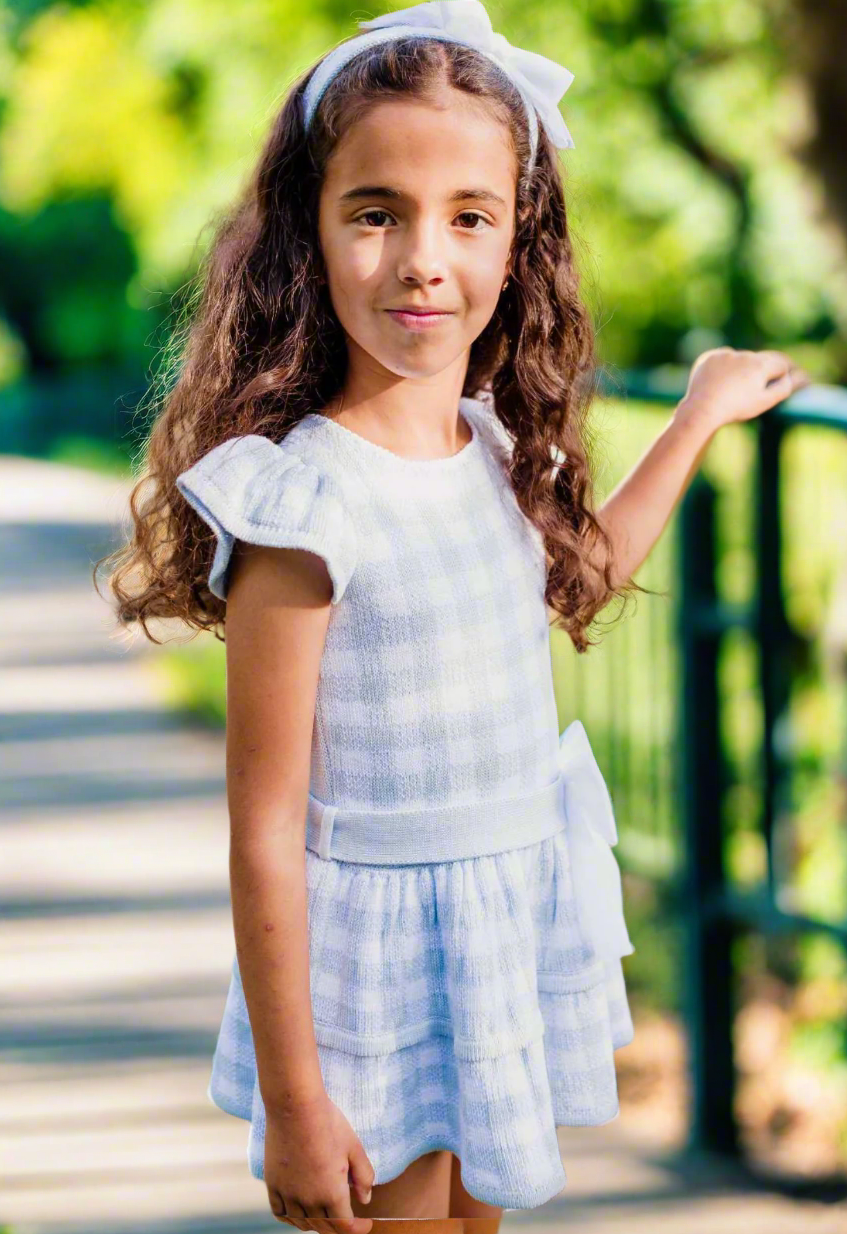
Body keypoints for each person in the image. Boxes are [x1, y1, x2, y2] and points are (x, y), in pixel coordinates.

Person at [98, 1, 812, 1230]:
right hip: (374, 971)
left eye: (469, 217)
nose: (424, 257)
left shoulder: (483, 445)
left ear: (515, 244)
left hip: (495, 940)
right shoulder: (304, 503)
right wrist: (296, 1096)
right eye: (375, 213)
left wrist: (695, 415)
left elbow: (572, 577)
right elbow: (263, 827)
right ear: (307, 238)